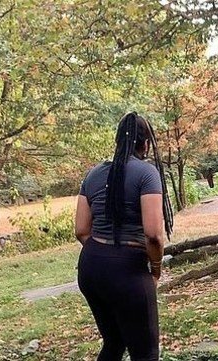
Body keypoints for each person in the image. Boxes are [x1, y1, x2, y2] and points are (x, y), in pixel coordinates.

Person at [74, 112, 173, 361]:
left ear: (118, 140)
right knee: (146, 353)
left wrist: (105, 254)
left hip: (90, 267)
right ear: (146, 143)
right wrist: (156, 269)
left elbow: (81, 230)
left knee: (114, 342)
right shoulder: (147, 173)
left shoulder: (93, 174)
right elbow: (153, 235)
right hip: (128, 271)